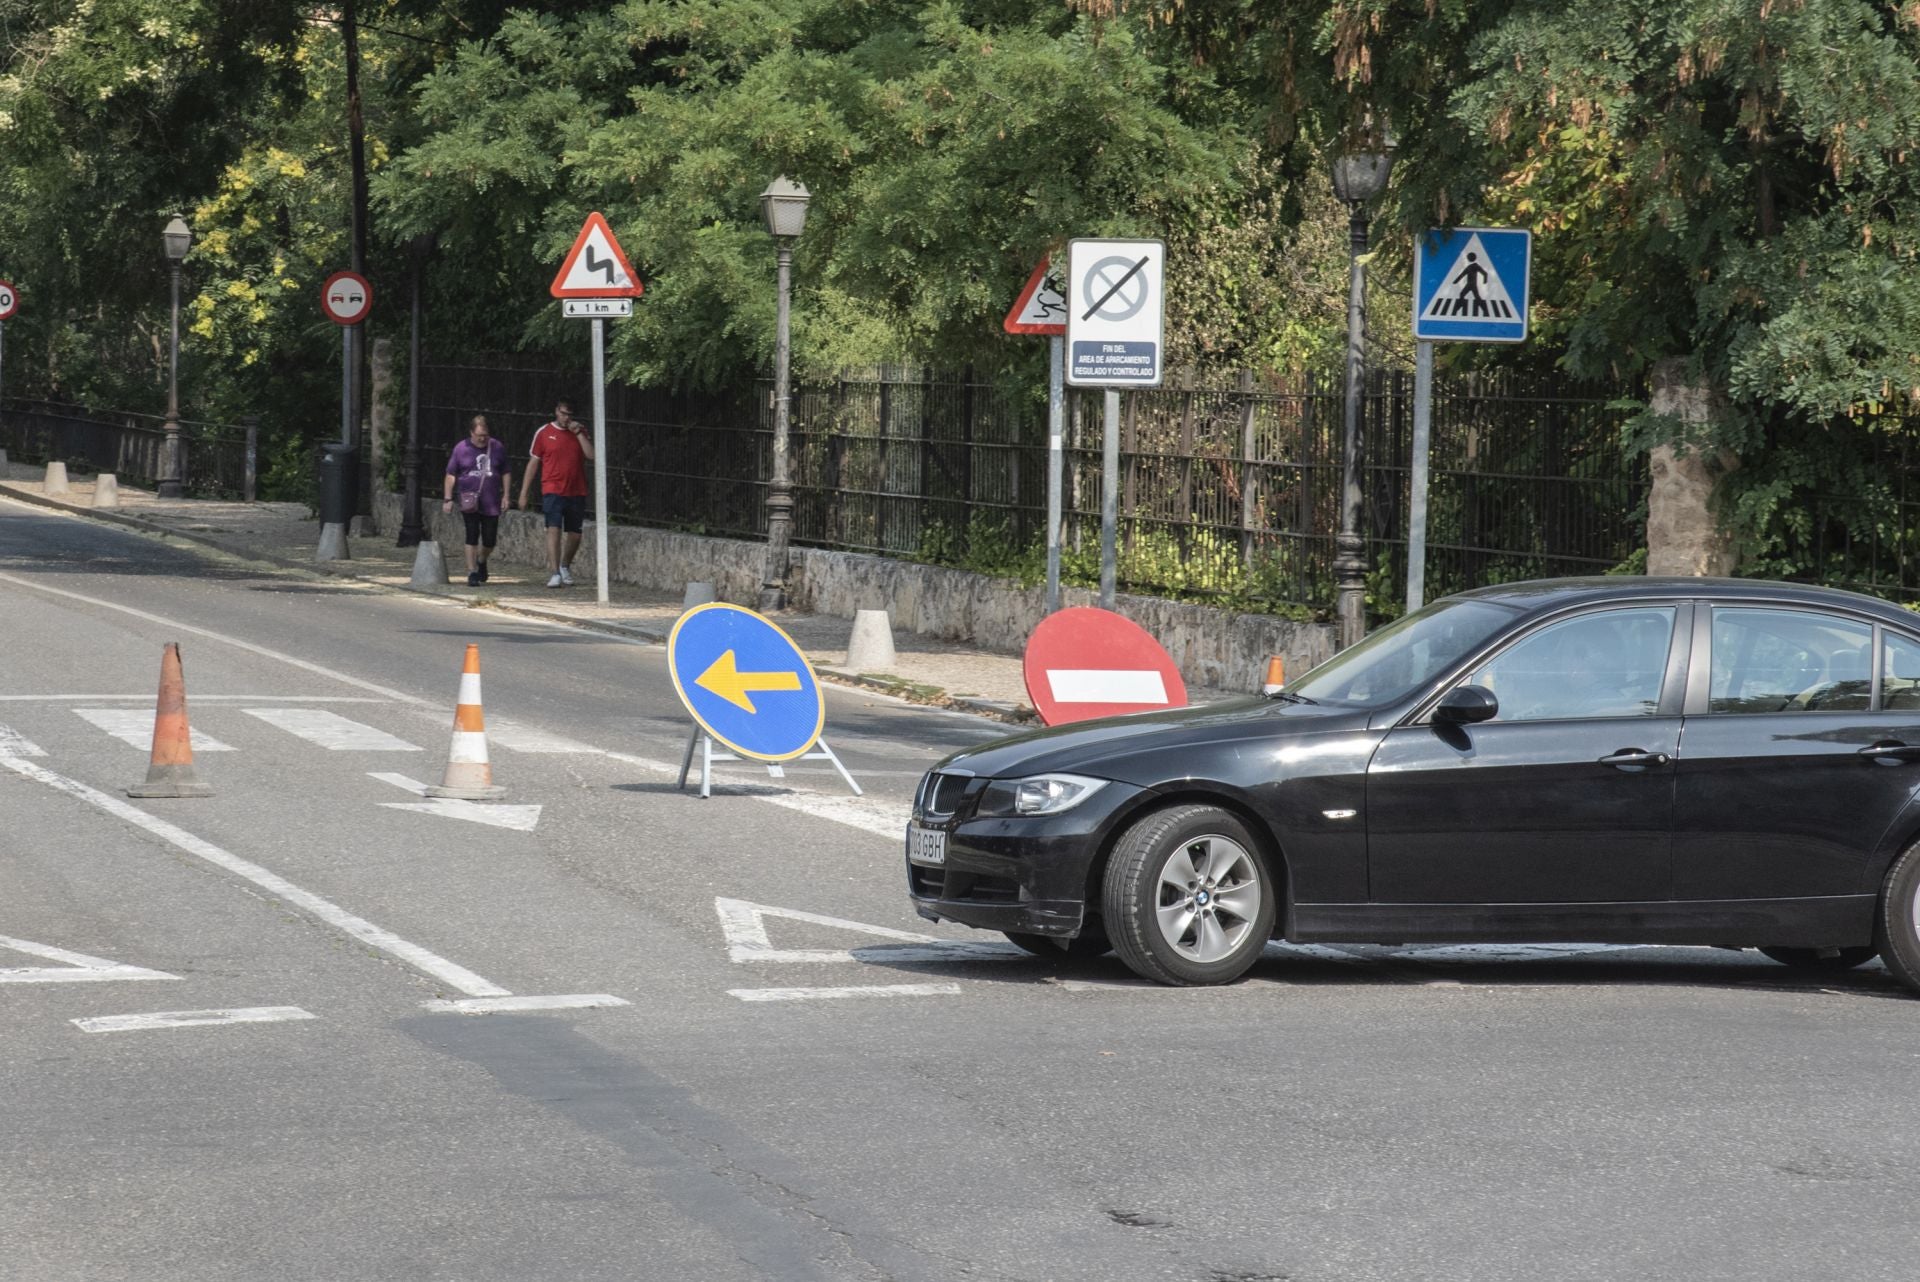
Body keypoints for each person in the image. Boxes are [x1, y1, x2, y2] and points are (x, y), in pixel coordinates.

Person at [517, 398, 592, 588]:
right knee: (554, 528)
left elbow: (591, 455)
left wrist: (579, 434)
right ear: (556, 411)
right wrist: (523, 492)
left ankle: (565, 565)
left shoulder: (580, 431)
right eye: (563, 413)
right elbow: (533, 462)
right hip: (552, 488)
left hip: (576, 489)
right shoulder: (544, 433)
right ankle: (555, 572)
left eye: (569, 414)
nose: (566, 418)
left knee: (575, 534)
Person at [443, 414, 512, 587]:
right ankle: (472, 571)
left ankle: (482, 560)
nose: (482, 438)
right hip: (469, 500)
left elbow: (505, 471)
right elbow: (451, 474)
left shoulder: (496, 447)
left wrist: (506, 495)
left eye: (485, 435)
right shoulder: (461, 448)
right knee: (471, 534)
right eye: (479, 435)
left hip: (491, 500)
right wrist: (448, 498)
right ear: (471, 433)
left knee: (490, 539)